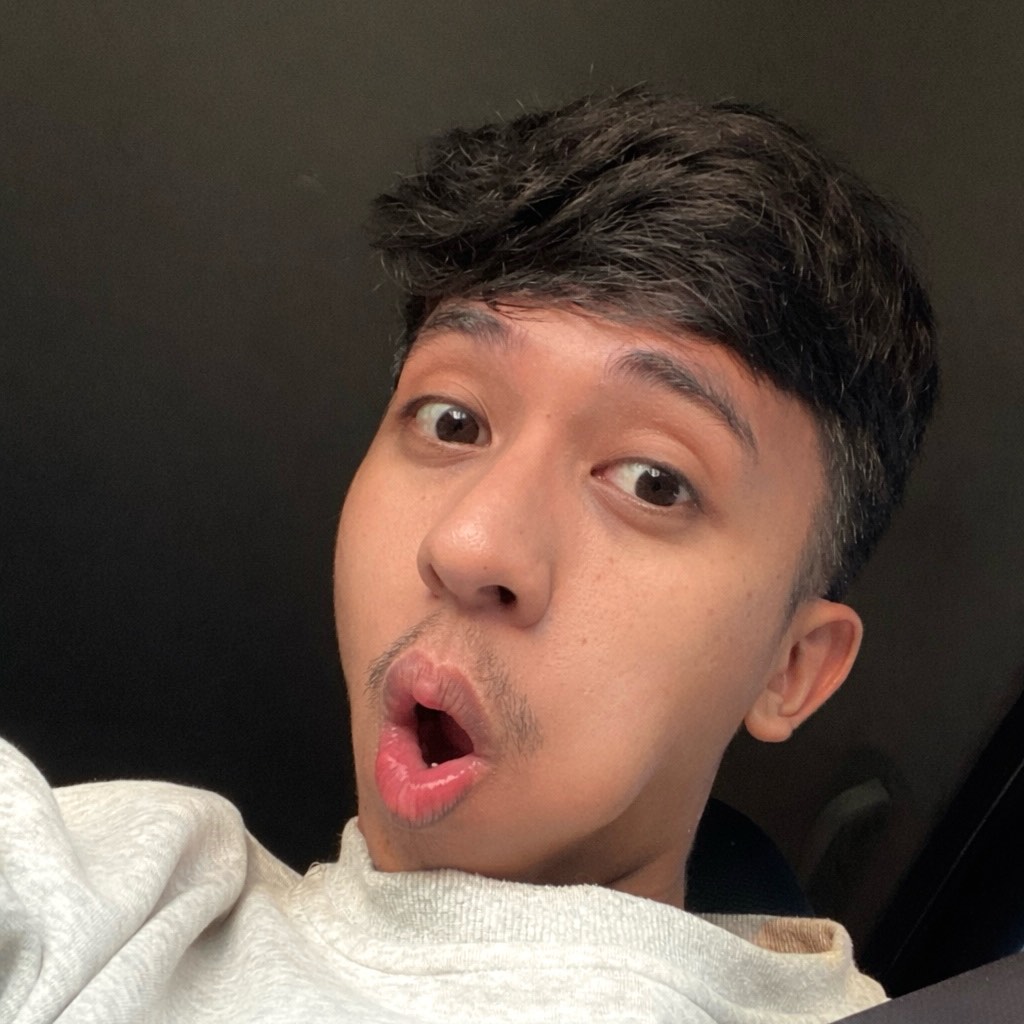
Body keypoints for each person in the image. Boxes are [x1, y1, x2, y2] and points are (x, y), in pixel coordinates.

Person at [0, 89, 937, 1023]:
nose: (467, 545)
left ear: (791, 669)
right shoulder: (130, 902)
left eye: (654, 481)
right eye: (453, 420)